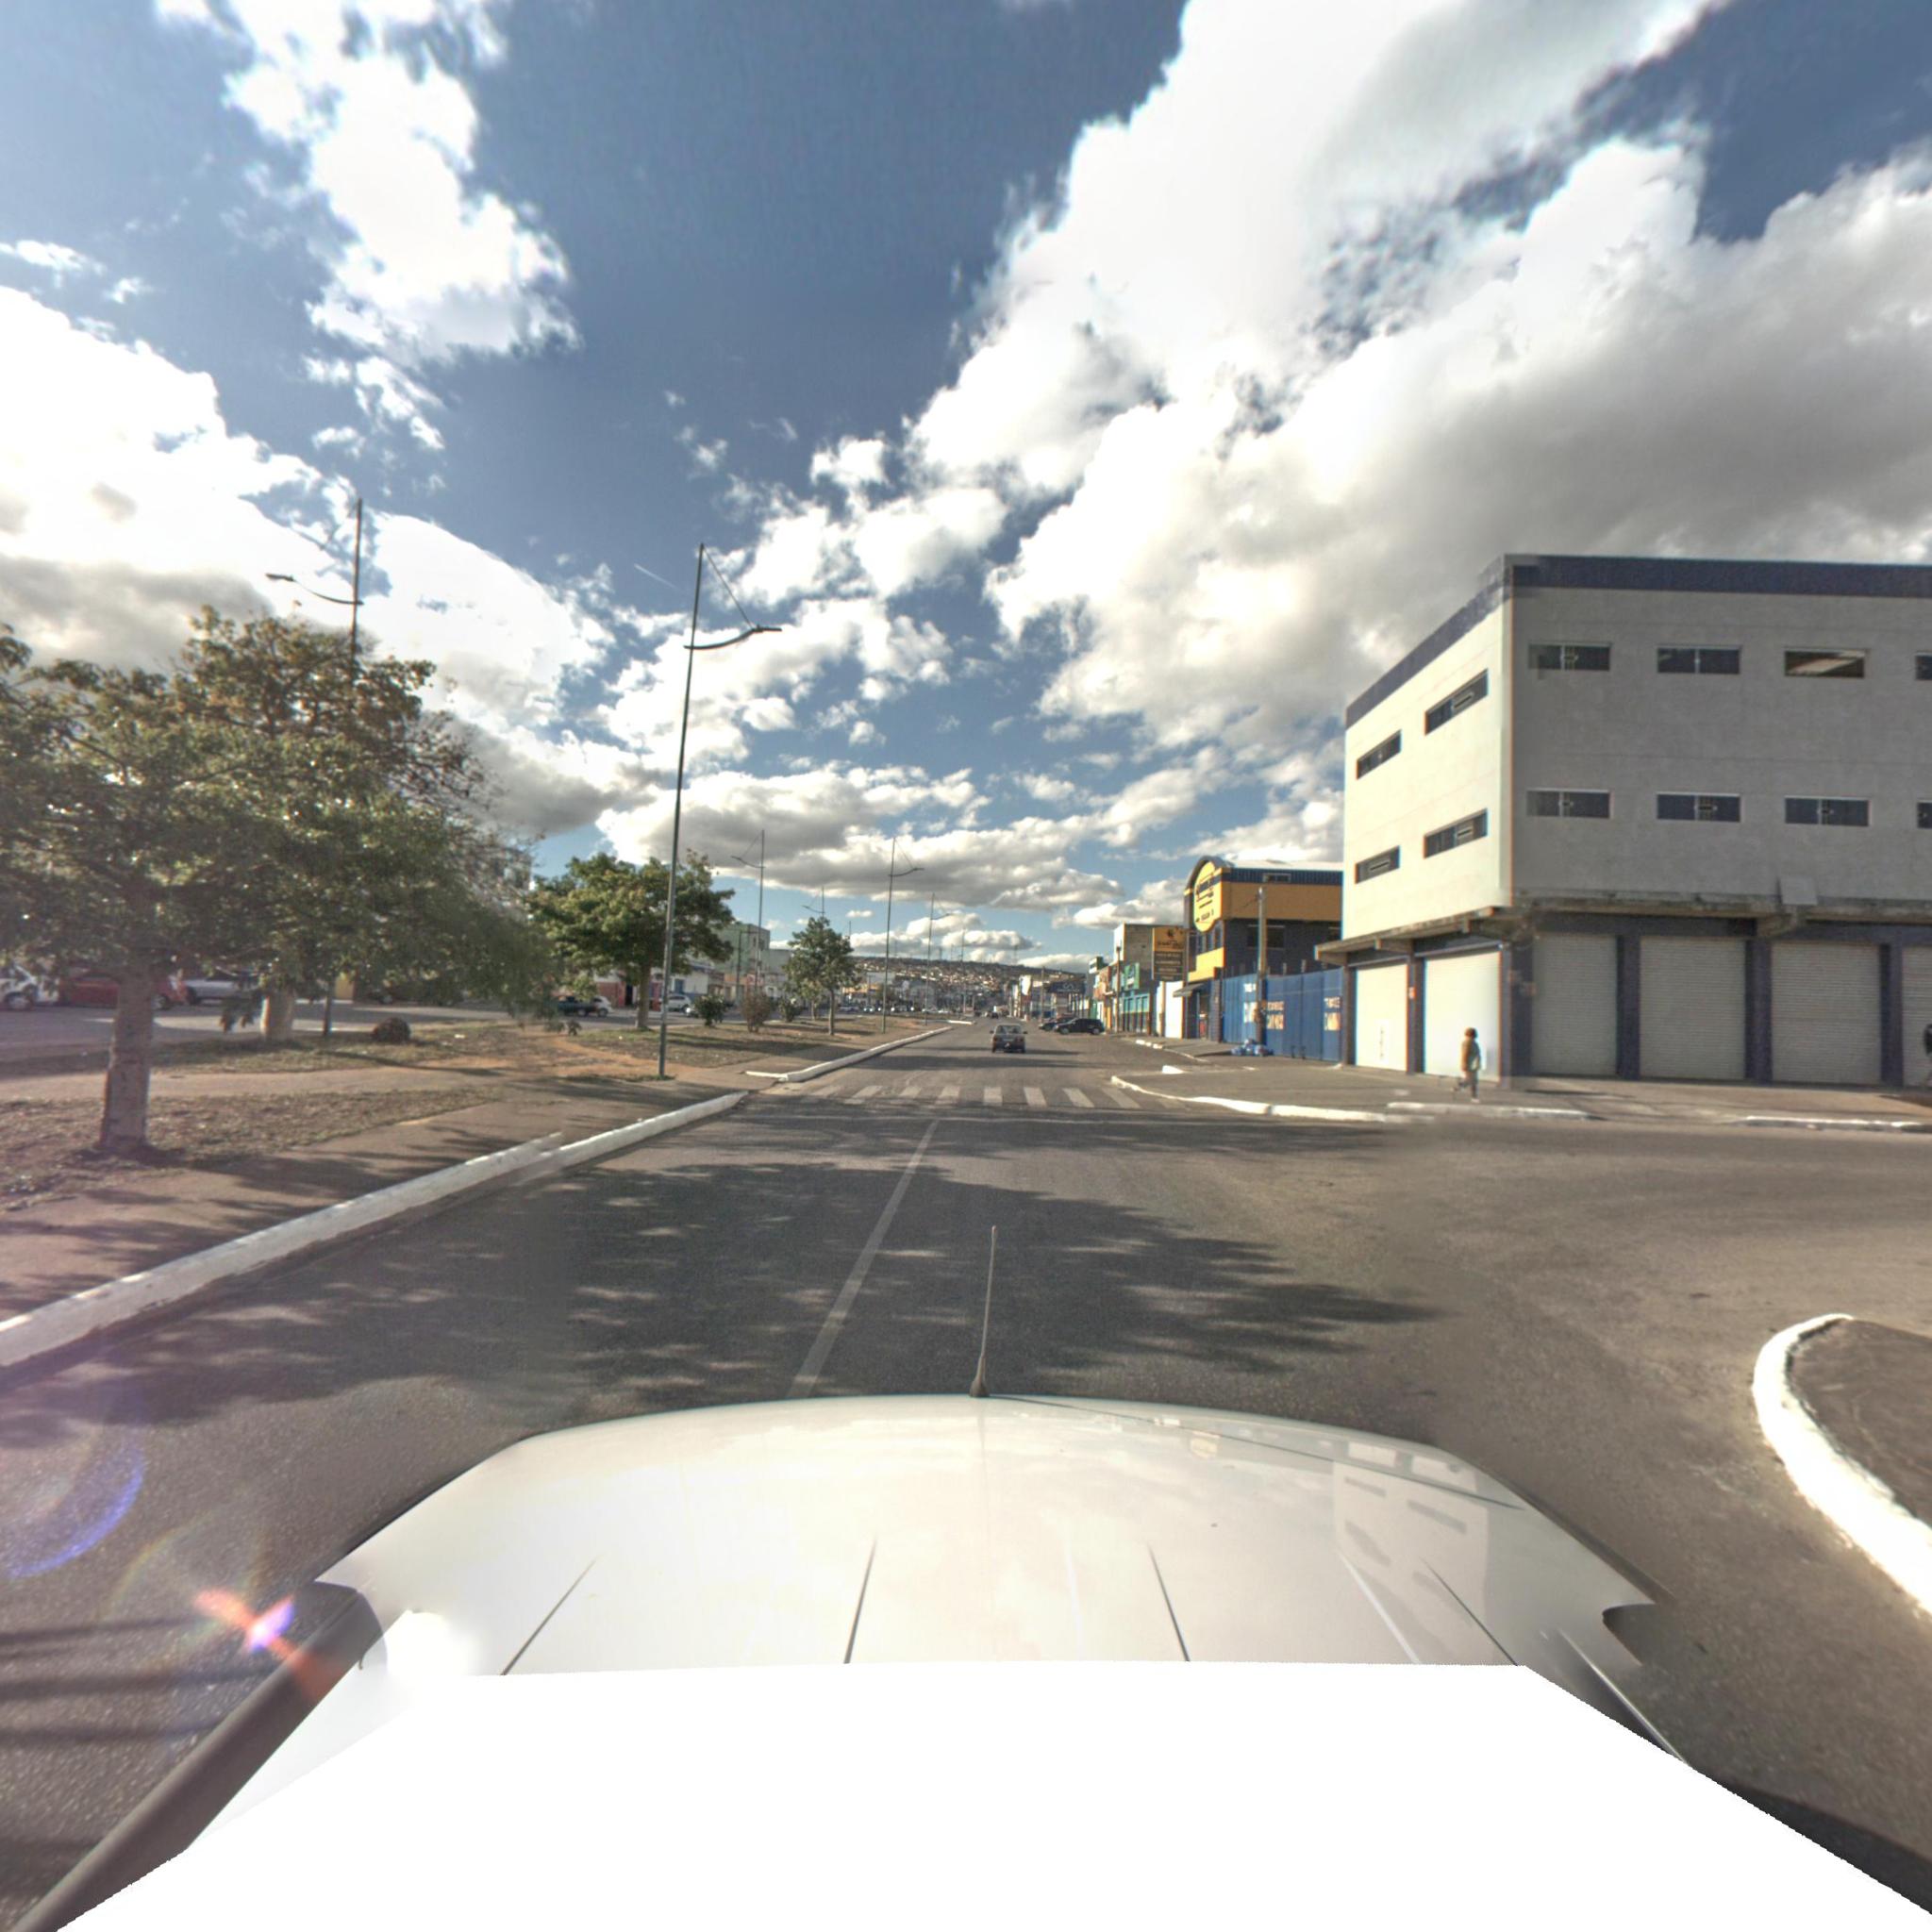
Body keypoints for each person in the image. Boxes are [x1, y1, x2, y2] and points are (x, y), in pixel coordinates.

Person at [1457, 1026, 1482, 1101]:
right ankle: (1474, 1096)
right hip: (1470, 1064)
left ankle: (1460, 1086)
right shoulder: (1468, 1042)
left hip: (1473, 1064)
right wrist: (1464, 1063)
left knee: (1470, 1080)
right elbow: (1465, 1053)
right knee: (1473, 1081)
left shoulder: (1474, 1043)